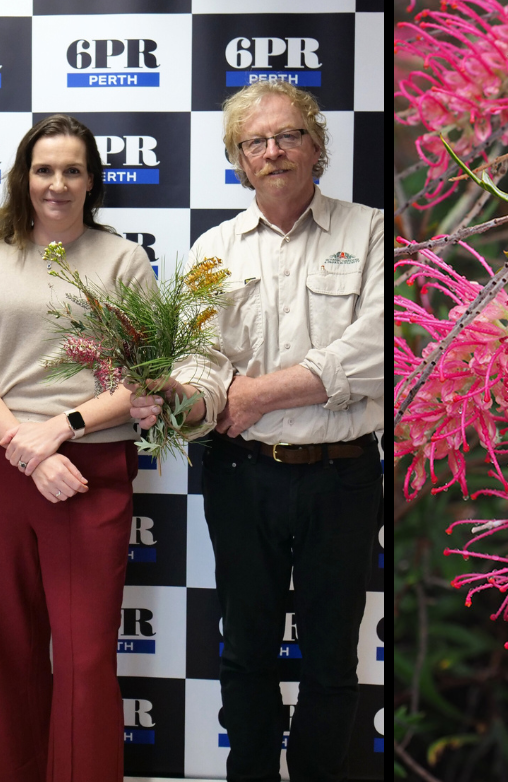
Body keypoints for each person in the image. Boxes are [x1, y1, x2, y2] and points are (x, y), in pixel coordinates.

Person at [129, 80, 384, 781]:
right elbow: (204, 359)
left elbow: (379, 350)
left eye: (288, 135)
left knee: (333, 657)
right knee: (245, 649)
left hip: (342, 473)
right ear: (240, 161)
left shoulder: (371, 232)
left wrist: (264, 392)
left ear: (316, 145)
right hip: (243, 475)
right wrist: (183, 400)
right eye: (255, 143)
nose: (273, 152)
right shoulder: (215, 247)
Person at [0, 115, 159, 782]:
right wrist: (23, 444)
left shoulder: (121, 259)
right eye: (44, 170)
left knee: (86, 657)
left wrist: (61, 427)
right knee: (5, 651)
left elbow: (146, 377)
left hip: (89, 469)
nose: (57, 184)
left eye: (72, 170)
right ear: (24, 177)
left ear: (92, 180)